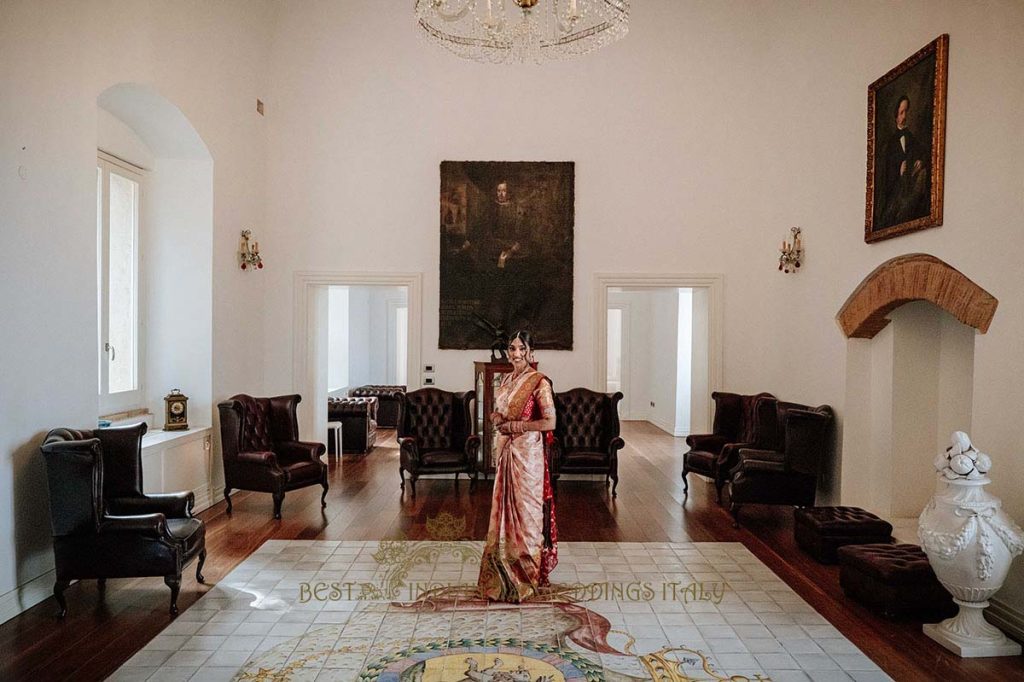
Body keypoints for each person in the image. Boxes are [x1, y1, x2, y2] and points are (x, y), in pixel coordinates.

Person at [477, 331, 558, 602]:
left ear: (531, 351)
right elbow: (499, 411)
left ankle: (525, 579)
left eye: (521, 348)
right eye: (511, 348)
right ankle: (502, 578)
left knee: (526, 514)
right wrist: (496, 416)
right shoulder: (505, 380)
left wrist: (517, 426)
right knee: (503, 513)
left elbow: (550, 422)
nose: (515, 354)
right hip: (506, 451)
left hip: (528, 456)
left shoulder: (539, 382)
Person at [878, 94, 930, 228]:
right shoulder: (889, 143)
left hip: (909, 185)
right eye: (901, 112)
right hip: (895, 191)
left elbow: (925, 153)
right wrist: (899, 171)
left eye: (906, 111)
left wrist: (921, 161)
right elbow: (885, 174)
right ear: (896, 115)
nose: (904, 116)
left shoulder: (911, 137)